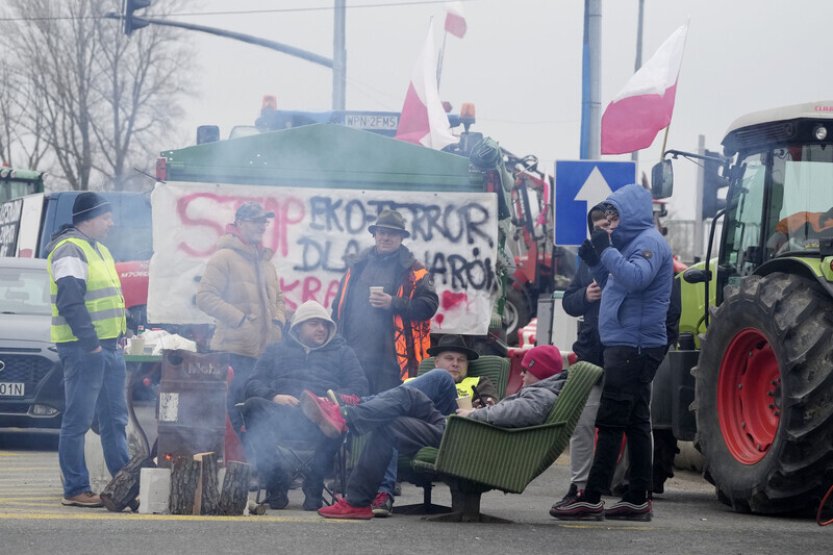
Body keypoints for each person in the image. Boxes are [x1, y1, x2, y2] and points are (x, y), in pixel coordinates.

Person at [303, 345, 565, 520]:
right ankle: (358, 501)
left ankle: (350, 413)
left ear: (541, 372)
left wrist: (477, 413)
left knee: (428, 385)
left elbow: (522, 412)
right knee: (397, 413)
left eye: (528, 369)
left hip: (471, 436)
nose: (523, 373)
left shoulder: (541, 393)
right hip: (462, 429)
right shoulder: (539, 390)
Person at [550, 184, 672, 522]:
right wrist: (597, 259)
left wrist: (605, 250)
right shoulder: (633, 243)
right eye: (607, 217)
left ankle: (591, 497)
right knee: (634, 420)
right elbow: (616, 282)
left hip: (632, 344)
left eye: (615, 216)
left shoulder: (648, 242)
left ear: (632, 213)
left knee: (611, 418)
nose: (610, 224)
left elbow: (635, 278)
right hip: (628, 341)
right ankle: (637, 498)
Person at [240, 300, 368, 511]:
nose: (321, 329)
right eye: (314, 324)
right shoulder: (275, 351)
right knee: (252, 405)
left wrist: (327, 400)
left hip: (322, 418)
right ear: (298, 327)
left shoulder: (343, 352)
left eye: (325, 324)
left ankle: (315, 481)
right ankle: (276, 479)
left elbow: (359, 387)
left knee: (341, 414)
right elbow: (253, 383)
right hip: (283, 413)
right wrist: (273, 396)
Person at [46, 192, 129, 508]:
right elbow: (70, 301)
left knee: (114, 420)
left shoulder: (101, 250)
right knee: (78, 421)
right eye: (106, 217)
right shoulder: (70, 249)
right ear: (89, 218)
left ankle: (124, 481)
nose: (111, 223)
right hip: (85, 350)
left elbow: (107, 299)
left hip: (107, 348)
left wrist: (120, 334)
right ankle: (76, 488)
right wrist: (92, 344)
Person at [367, 334, 499, 516]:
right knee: (389, 420)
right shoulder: (412, 383)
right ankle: (383, 496)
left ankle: (359, 406)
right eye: (449, 358)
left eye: (461, 360)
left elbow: (491, 409)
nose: (455, 363)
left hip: (451, 430)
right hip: (413, 430)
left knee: (438, 381)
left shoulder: (477, 382)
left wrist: (474, 409)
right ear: (436, 362)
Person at [196, 201, 286, 438]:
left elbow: (279, 298)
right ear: (240, 223)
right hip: (234, 351)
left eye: (264, 221)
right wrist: (240, 320)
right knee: (232, 414)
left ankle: (253, 466)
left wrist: (278, 321)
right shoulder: (223, 257)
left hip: (264, 354)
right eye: (257, 221)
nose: (263, 226)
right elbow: (204, 298)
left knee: (257, 414)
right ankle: (235, 466)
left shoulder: (266, 262)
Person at [331, 208, 438, 394]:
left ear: (401, 237)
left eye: (392, 234)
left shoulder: (415, 270)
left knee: (384, 407)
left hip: (392, 360)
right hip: (354, 353)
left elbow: (429, 306)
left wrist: (394, 303)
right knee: (351, 405)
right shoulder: (357, 265)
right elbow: (338, 306)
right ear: (374, 235)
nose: (386, 238)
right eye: (382, 232)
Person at [552, 205, 608, 508]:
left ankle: (638, 488)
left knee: (634, 424)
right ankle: (580, 486)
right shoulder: (586, 261)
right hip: (590, 353)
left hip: (624, 355)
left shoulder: (633, 257)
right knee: (583, 422)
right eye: (597, 225)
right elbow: (570, 301)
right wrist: (585, 296)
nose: (603, 230)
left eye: (608, 224)